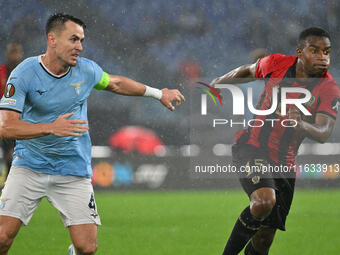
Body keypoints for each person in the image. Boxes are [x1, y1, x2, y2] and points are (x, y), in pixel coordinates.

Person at [0, 13, 185, 255]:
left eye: (81, 40)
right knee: (2, 238)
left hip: (72, 169)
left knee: (86, 248)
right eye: (73, 39)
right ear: (52, 39)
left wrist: (158, 94)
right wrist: (50, 127)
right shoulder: (24, 73)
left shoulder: (86, 70)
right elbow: (5, 126)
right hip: (30, 166)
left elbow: (115, 83)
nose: (79, 47)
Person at [211, 27, 340, 255]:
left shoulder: (328, 88)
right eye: (315, 51)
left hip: (284, 162)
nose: (322, 58)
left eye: (327, 52)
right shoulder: (277, 63)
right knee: (263, 202)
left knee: (263, 239)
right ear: (300, 52)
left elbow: (324, 131)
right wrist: (220, 82)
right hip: (252, 147)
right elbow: (248, 71)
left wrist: (302, 124)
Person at [0, 43, 24, 180]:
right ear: (7, 55)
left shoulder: (26, 72)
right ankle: (10, 182)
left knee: (16, 154)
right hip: (5, 119)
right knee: (10, 154)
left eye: (17, 52)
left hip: (23, 118)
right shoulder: (2, 72)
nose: (15, 55)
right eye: (12, 52)